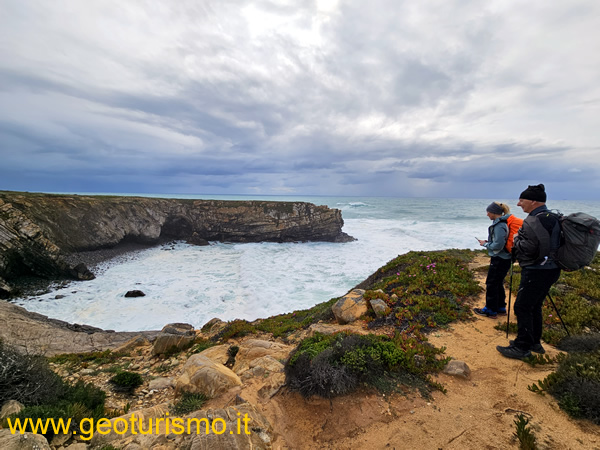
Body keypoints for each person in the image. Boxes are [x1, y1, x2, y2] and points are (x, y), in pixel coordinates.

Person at [496, 184, 561, 360]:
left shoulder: (534, 221)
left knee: (522, 306)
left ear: (533, 201)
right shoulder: (553, 217)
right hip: (552, 269)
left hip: (536, 270)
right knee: (534, 306)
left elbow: (530, 249)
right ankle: (534, 343)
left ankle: (521, 347)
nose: (518, 204)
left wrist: (516, 241)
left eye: (522, 200)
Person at [474, 202, 514, 318]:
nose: (487, 214)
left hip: (499, 258)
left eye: (488, 212)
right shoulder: (502, 223)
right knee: (498, 282)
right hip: (503, 258)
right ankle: (501, 307)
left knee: (491, 283)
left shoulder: (499, 225)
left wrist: (486, 245)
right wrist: (488, 243)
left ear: (494, 213)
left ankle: (490, 310)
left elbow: (498, 245)